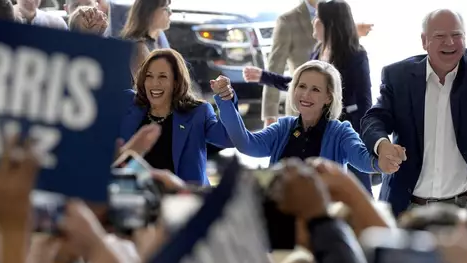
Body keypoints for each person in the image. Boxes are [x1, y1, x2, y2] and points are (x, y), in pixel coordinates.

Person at [244, 0, 373, 193]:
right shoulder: (317, 52)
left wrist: (366, 137)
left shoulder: (355, 55)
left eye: (318, 18)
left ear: (330, 24)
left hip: (346, 132)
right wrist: (264, 76)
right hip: (317, 129)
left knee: (358, 191)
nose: (313, 21)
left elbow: (365, 101)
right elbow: (300, 86)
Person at [360, 9, 467, 217]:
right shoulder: (399, 77)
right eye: (440, 36)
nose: (450, 42)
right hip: (409, 207)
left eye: (457, 35)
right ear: (424, 41)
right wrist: (383, 145)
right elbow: (374, 118)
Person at [220, 60, 396, 176]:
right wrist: (227, 101)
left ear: (329, 97)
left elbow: (363, 160)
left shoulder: (340, 132)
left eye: (315, 89)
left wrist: (383, 162)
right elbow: (246, 144)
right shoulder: (283, 127)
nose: (305, 94)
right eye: (302, 86)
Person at [119, 48, 241, 184]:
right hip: (133, 195)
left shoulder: (198, 112)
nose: (154, 83)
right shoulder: (128, 103)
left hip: (183, 197)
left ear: (176, 82)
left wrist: (226, 99)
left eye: (162, 77)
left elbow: (231, 139)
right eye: (149, 76)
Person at [120, 0, 172, 76]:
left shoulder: (156, 42)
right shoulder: (138, 46)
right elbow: (148, 85)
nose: (170, 13)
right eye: (165, 8)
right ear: (149, 12)